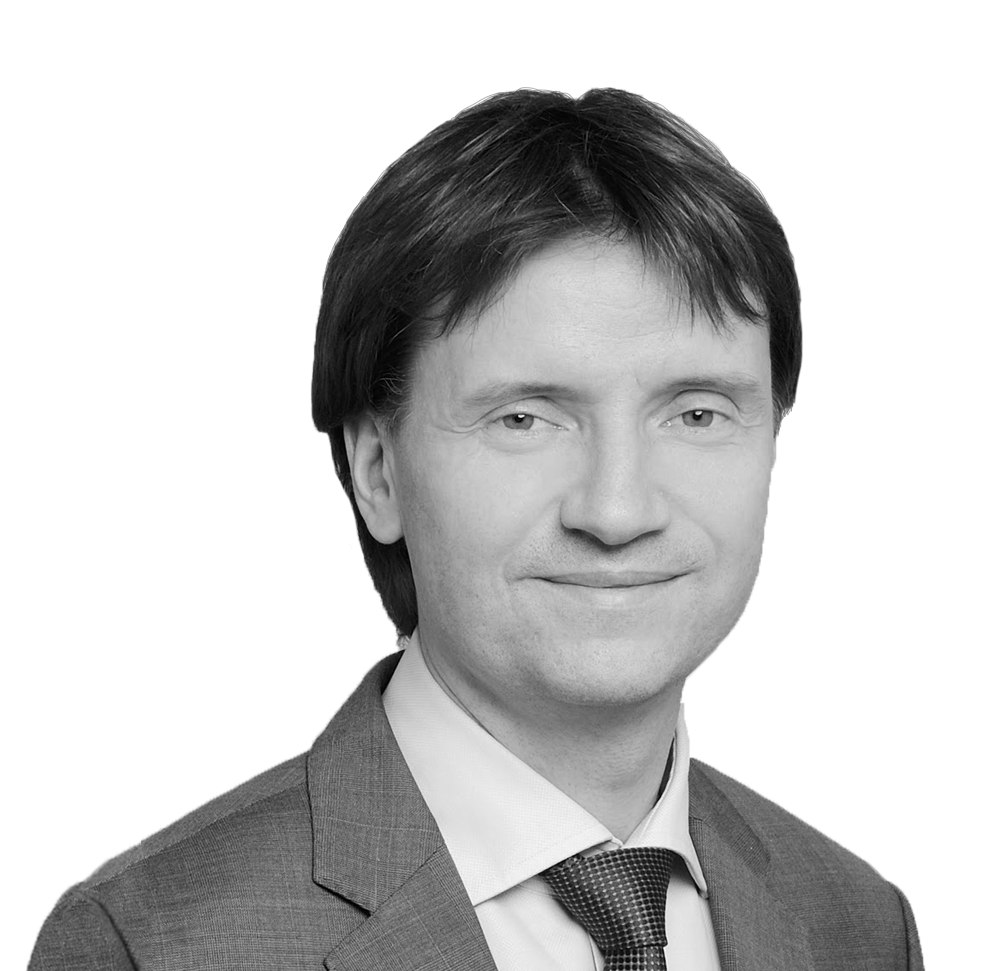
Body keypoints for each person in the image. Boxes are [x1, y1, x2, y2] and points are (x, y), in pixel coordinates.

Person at [30, 88, 922, 970]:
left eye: (696, 413)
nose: (617, 511)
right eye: (524, 418)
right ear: (377, 472)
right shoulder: (148, 942)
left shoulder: (858, 923)